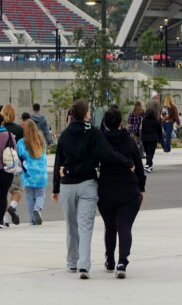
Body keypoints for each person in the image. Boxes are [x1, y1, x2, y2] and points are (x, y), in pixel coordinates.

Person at [52, 99, 133, 279]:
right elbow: (107, 154)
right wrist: (127, 162)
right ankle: (83, 266)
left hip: (67, 186)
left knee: (71, 225)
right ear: (86, 113)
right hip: (87, 184)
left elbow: (59, 160)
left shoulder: (65, 134)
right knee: (85, 226)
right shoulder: (94, 134)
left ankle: (72, 261)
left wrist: (56, 186)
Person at [97, 107, 145, 279]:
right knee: (124, 226)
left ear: (104, 123)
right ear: (120, 123)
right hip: (128, 189)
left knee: (110, 226)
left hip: (106, 190)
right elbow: (139, 166)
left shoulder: (101, 141)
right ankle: (122, 262)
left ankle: (109, 259)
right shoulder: (130, 141)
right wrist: (142, 188)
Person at [17, 118, 48, 225]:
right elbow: (44, 157)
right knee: (40, 194)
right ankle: (38, 208)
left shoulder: (21, 142)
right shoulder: (41, 140)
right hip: (40, 172)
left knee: (30, 196)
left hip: (28, 173)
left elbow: (19, 157)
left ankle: (32, 220)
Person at [0, 104, 24, 225]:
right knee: (17, 190)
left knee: (2, 192)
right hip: (15, 163)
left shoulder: (0, 129)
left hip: (1, 163)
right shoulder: (19, 130)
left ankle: (4, 218)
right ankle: (13, 207)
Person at [140, 99, 163, 172]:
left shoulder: (143, 120)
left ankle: (150, 165)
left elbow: (141, 129)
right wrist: (160, 138)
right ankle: (147, 165)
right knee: (151, 153)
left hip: (144, 139)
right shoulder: (156, 121)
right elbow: (159, 130)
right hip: (153, 138)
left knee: (147, 153)